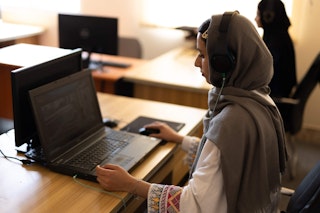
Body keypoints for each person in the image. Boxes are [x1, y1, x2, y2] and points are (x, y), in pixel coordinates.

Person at [96, 11, 287, 212]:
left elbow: (195, 204)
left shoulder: (232, 121)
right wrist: (179, 139)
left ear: (224, 62)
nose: (197, 62)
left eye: (203, 55)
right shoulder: (259, 99)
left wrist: (132, 184)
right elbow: (225, 160)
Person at [255, 0, 297, 97]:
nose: (255, 18)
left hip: (272, 99)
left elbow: (265, 76)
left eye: (258, 14)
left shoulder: (276, 44)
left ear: (268, 16)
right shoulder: (280, 39)